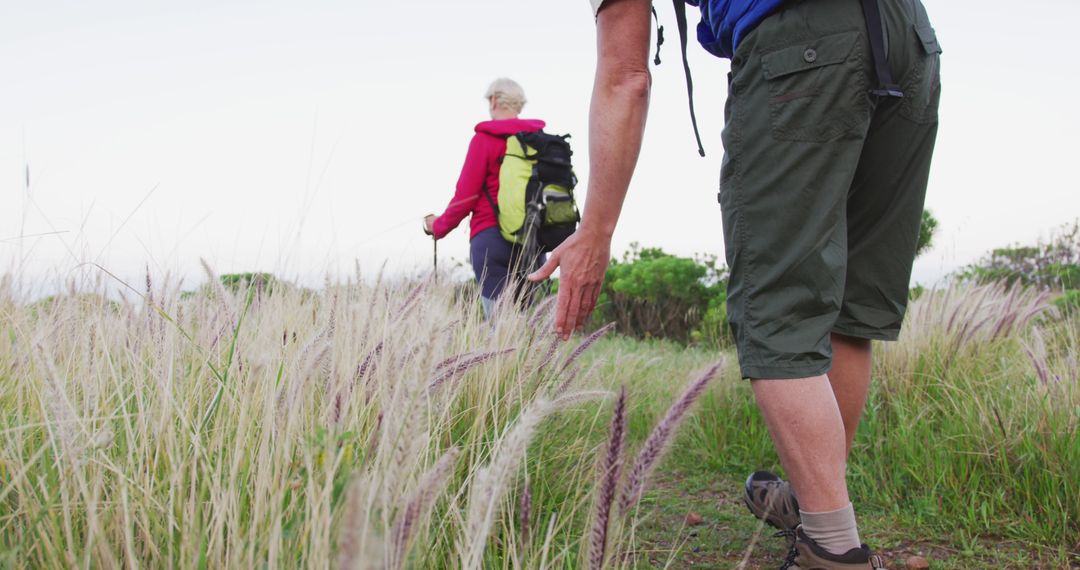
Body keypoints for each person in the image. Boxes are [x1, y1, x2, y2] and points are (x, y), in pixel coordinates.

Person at [527, 0, 940, 568]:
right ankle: (814, 498)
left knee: (776, 312)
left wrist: (595, 230)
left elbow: (626, 78)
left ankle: (832, 549)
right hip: (909, 38)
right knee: (846, 305)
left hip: (804, 47)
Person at [423, 78, 546, 317]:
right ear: (519, 105)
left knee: (500, 330)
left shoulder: (484, 140)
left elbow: (465, 197)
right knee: (525, 328)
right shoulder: (540, 141)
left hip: (492, 240)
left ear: (493, 100)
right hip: (534, 242)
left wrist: (438, 226)